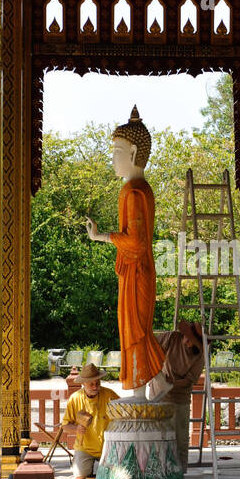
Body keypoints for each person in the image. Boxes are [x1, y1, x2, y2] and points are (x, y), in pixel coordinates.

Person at [85, 107, 166, 395]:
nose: (113, 159)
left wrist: (101, 236)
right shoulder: (138, 188)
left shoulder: (134, 191)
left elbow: (137, 242)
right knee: (134, 330)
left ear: (133, 153)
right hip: (134, 271)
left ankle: (143, 390)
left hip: (137, 271)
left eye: (117, 151)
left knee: (136, 332)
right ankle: (147, 388)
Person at [154, 319, 205, 472]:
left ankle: (180, 470)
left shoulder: (200, 356)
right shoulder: (172, 337)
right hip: (159, 394)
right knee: (160, 434)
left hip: (180, 398)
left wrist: (169, 384)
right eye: (186, 336)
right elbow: (151, 344)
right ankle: (160, 468)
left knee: (180, 437)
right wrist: (156, 367)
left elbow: (188, 381)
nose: (186, 340)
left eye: (191, 339)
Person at [62, 362, 117, 479]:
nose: (95, 386)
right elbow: (65, 426)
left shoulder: (110, 395)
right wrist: (76, 429)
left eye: (97, 383)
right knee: (80, 477)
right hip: (84, 447)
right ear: (83, 383)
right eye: (91, 384)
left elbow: (122, 415)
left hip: (108, 446)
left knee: (114, 478)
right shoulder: (75, 398)